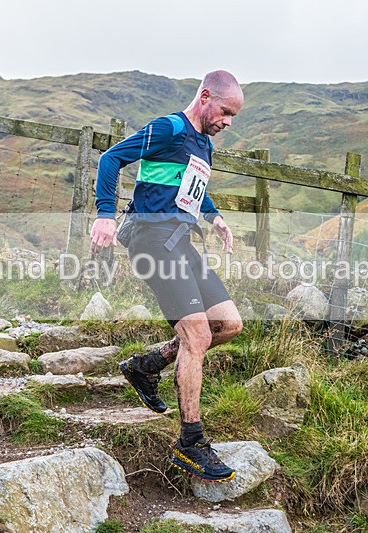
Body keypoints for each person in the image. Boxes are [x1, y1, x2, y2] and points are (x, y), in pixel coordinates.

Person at [89, 70, 245, 482]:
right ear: (206, 96)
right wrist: (105, 214)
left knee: (227, 324)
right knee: (197, 335)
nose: (228, 122)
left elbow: (192, 187)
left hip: (181, 240)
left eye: (233, 117)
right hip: (151, 239)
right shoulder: (169, 129)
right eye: (226, 112)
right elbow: (111, 158)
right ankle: (190, 443)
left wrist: (215, 217)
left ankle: (146, 365)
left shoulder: (203, 144)